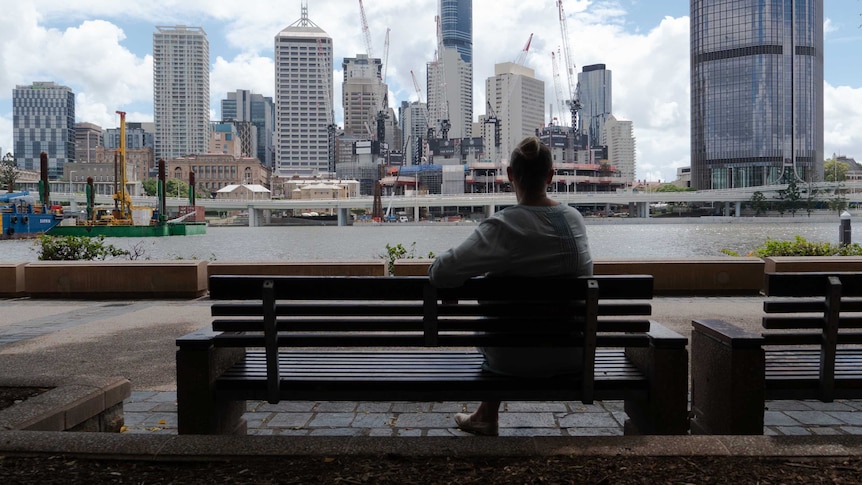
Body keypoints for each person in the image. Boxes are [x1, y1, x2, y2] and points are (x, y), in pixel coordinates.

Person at [428, 136, 593, 436]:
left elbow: (440, 271)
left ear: (510, 175)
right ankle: (484, 414)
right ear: (551, 176)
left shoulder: (504, 226)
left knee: (500, 297)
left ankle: (486, 416)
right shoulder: (575, 220)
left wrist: (460, 284)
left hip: (513, 358)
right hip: (573, 354)